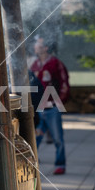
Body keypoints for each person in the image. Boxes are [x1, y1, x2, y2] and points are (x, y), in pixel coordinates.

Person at [30, 37, 69, 175]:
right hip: (39, 108)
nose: (35, 46)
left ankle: (60, 164)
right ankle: (32, 164)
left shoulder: (55, 63)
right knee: (34, 138)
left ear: (45, 47)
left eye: (38, 44)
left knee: (58, 138)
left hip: (52, 107)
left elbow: (64, 84)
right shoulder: (34, 65)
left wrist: (58, 102)